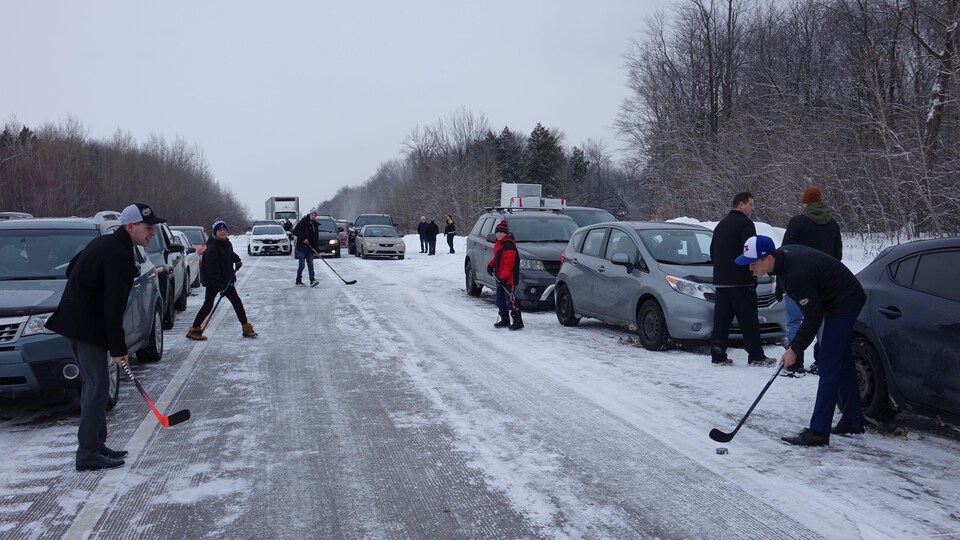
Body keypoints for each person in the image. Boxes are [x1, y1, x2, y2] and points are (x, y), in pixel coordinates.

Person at [45, 203, 165, 471]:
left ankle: (96, 445)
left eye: (153, 228)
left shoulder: (107, 244)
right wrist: (118, 348)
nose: (153, 233)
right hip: (86, 329)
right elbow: (113, 308)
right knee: (97, 389)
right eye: (148, 228)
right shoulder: (118, 256)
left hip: (80, 325)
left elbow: (72, 269)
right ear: (130, 227)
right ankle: (87, 453)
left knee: (94, 387)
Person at [736, 235, 866, 446]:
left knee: (828, 362)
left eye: (753, 263)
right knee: (839, 358)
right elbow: (787, 276)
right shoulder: (783, 259)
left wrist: (794, 349)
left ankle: (818, 431)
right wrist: (780, 288)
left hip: (845, 300)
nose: (750, 268)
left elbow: (812, 318)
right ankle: (852, 419)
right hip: (831, 296)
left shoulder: (796, 275)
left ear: (769, 258)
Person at [779, 186, 842, 375]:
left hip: (798, 280)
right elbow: (837, 255)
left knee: (795, 321)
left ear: (804, 203)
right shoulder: (833, 225)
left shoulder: (797, 222)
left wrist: (782, 280)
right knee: (821, 322)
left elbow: (785, 251)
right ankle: (821, 361)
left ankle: (794, 362)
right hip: (825, 282)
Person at [709, 192, 774, 366]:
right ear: (740, 205)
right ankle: (756, 356)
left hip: (722, 281)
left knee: (721, 320)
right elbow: (750, 251)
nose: (753, 209)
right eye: (751, 205)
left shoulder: (720, 226)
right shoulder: (745, 224)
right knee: (749, 320)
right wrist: (753, 272)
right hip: (741, 280)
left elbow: (712, 252)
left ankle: (718, 355)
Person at [186, 219, 257, 340]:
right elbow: (211, 271)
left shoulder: (226, 243)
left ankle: (245, 326)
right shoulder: (212, 248)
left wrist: (237, 260)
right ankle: (194, 329)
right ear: (215, 231)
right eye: (220, 230)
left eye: (224, 230)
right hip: (215, 282)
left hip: (226, 279)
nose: (223, 232)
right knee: (209, 305)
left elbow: (230, 254)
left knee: (236, 302)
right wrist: (221, 286)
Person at [487, 220, 523, 330]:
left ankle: (518, 321)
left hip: (508, 279)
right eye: (497, 233)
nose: (498, 234)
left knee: (510, 301)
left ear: (506, 234)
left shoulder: (508, 246)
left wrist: (504, 277)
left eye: (501, 233)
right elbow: (498, 258)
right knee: (499, 300)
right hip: (500, 278)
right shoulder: (498, 244)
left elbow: (508, 264)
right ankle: (505, 320)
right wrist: (490, 265)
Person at [292, 209, 321, 287]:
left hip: (310, 249)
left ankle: (312, 280)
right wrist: (303, 238)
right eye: (312, 215)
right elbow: (295, 231)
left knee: (310, 264)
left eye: (315, 215)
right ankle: (298, 280)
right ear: (310, 214)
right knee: (302, 265)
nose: (314, 217)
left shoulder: (315, 225)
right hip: (301, 248)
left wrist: (317, 250)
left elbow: (316, 239)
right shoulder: (303, 222)